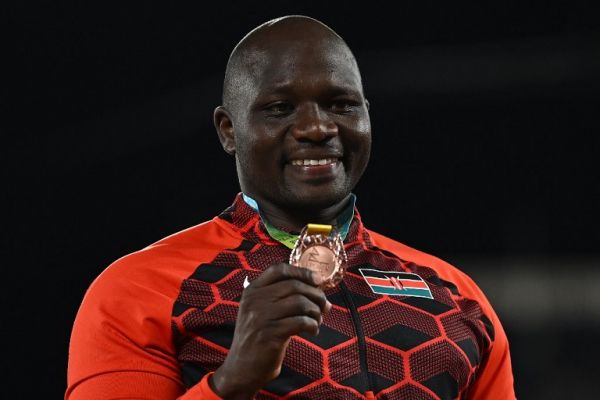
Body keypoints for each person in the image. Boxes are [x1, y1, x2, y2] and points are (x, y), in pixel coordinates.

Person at [66, 15, 515, 400]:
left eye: (341, 104)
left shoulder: (456, 297)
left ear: (366, 116)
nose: (318, 127)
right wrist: (231, 381)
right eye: (280, 108)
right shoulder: (137, 291)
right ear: (228, 130)